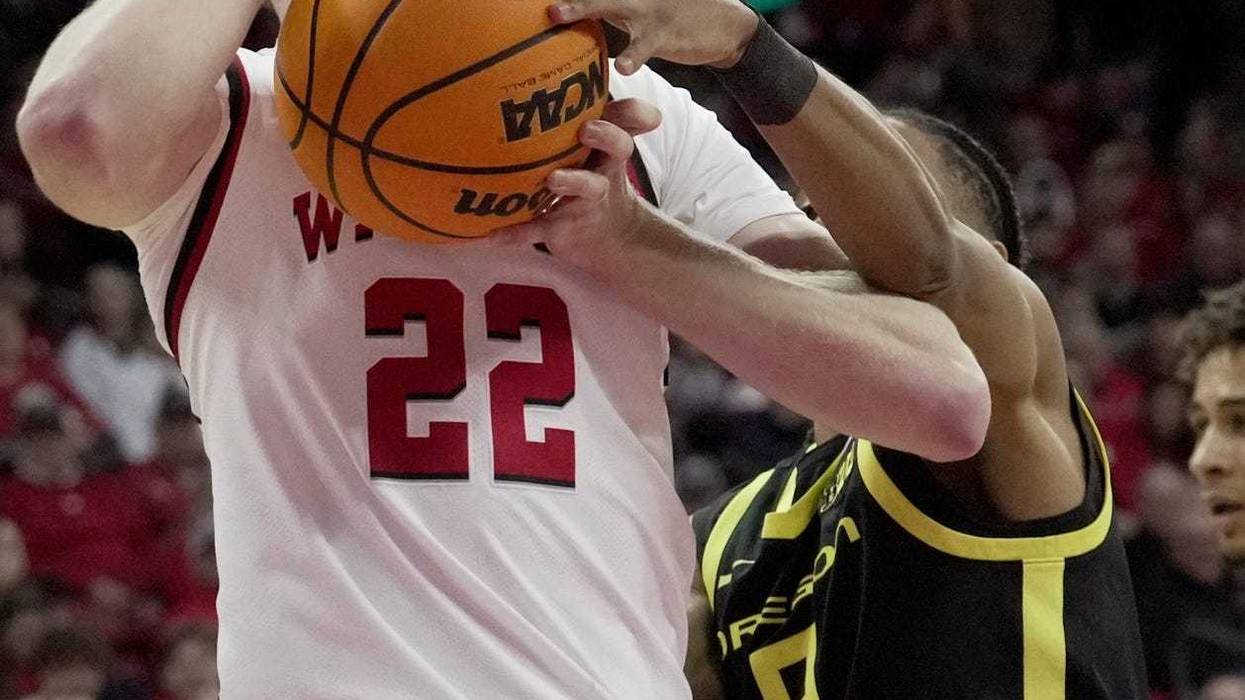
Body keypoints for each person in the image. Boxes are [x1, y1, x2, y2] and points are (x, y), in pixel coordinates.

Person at [17, 1, 989, 696]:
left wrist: (635, 246)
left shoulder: (643, 125)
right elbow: (74, 128)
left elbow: (942, 397)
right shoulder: (225, 123)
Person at [537, 1, 1148, 696]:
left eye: (869, 197)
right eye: (805, 198)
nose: (816, 219)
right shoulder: (726, 538)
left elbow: (929, 266)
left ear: (1002, 272)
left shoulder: (1012, 421)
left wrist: (745, 46)